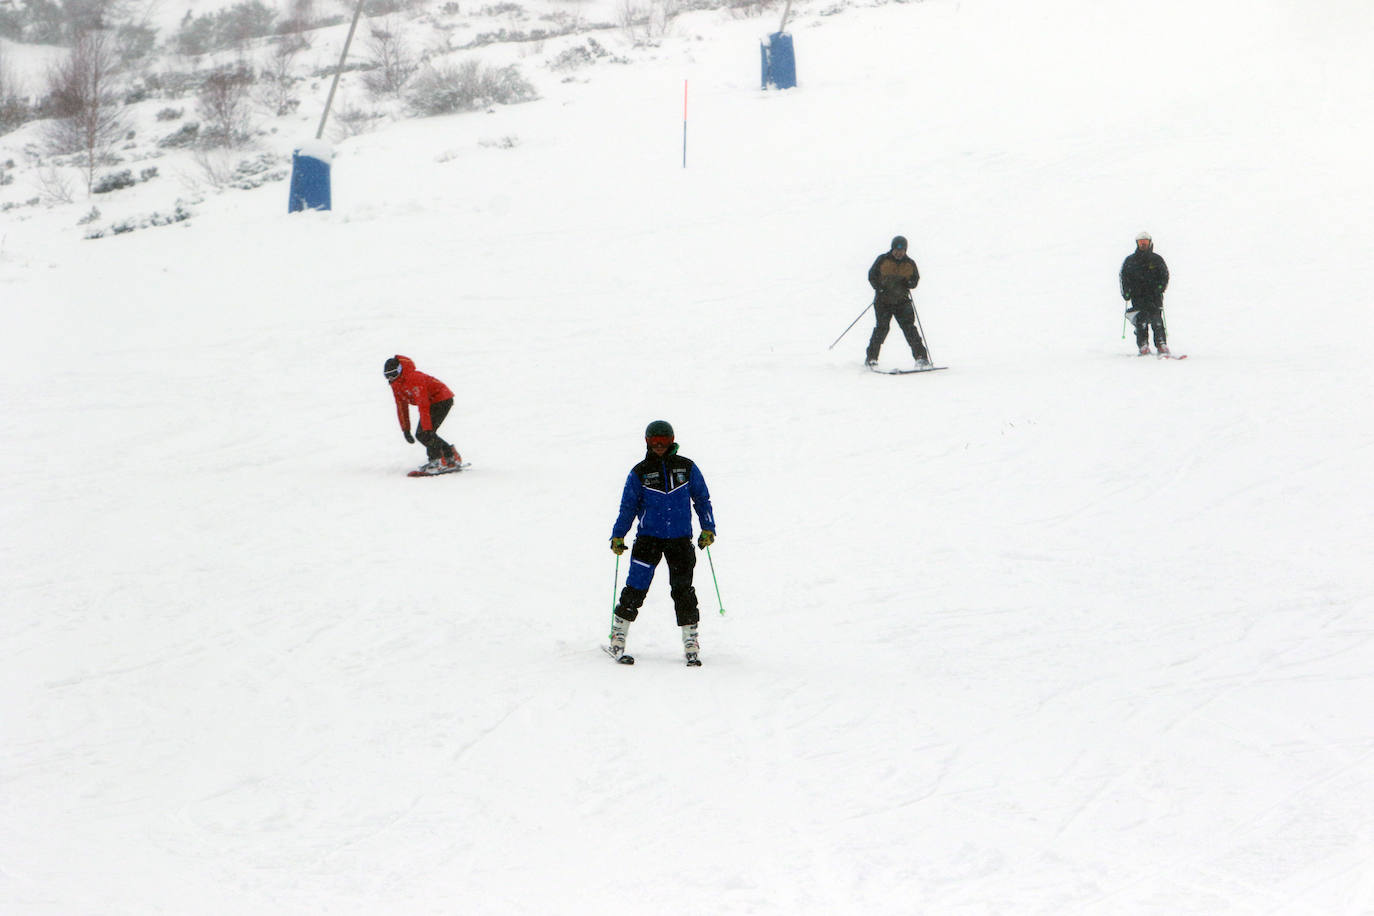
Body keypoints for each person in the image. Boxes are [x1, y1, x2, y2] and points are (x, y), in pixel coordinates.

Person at [607, 420, 716, 666]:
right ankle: (618, 634)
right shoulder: (640, 472)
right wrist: (618, 534)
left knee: (683, 590)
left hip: (679, 540)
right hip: (649, 539)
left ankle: (691, 639)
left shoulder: (686, 468)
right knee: (636, 587)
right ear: (646, 442)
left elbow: (702, 498)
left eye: (663, 441)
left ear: (672, 441)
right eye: (653, 441)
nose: (658, 446)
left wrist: (708, 527)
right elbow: (628, 507)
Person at [383, 355, 461, 470]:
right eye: (387, 376)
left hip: (442, 399)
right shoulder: (396, 384)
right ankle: (449, 456)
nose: (390, 378)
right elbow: (401, 407)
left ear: (400, 370)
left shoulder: (413, 378)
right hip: (431, 402)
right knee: (424, 434)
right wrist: (406, 429)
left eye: (393, 374)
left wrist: (427, 428)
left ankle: (440, 459)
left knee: (424, 433)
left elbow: (423, 404)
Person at [866, 235, 930, 369]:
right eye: (896, 249)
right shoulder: (883, 260)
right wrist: (879, 287)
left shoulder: (909, 263)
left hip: (902, 302)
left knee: (910, 329)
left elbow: (915, 280)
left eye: (902, 250)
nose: (899, 253)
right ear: (892, 248)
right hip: (883, 302)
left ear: (906, 250)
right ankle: (871, 358)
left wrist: (909, 283)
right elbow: (872, 275)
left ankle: (921, 358)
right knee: (882, 329)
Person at [1120, 231, 1171, 355]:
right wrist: (1126, 293)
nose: (1143, 244)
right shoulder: (1130, 261)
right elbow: (1124, 277)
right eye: (1141, 242)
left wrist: (1160, 287)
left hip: (1154, 296)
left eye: (1145, 242)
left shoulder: (1157, 260)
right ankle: (1143, 346)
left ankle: (1161, 344)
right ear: (1137, 243)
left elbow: (1164, 275)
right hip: (1138, 296)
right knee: (1141, 322)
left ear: (1150, 243)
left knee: (1157, 321)